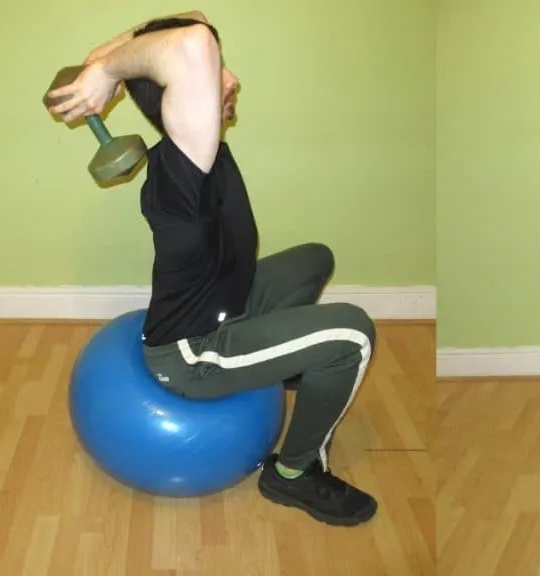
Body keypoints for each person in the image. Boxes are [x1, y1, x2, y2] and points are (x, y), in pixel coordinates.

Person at [47, 11, 378, 527]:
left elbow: (195, 22)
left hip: (228, 303)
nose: (232, 77)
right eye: (218, 68)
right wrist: (110, 72)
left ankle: (288, 364)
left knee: (316, 259)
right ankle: (295, 473)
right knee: (353, 333)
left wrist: (101, 68)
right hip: (192, 354)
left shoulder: (191, 150)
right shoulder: (185, 164)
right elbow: (193, 41)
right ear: (183, 98)